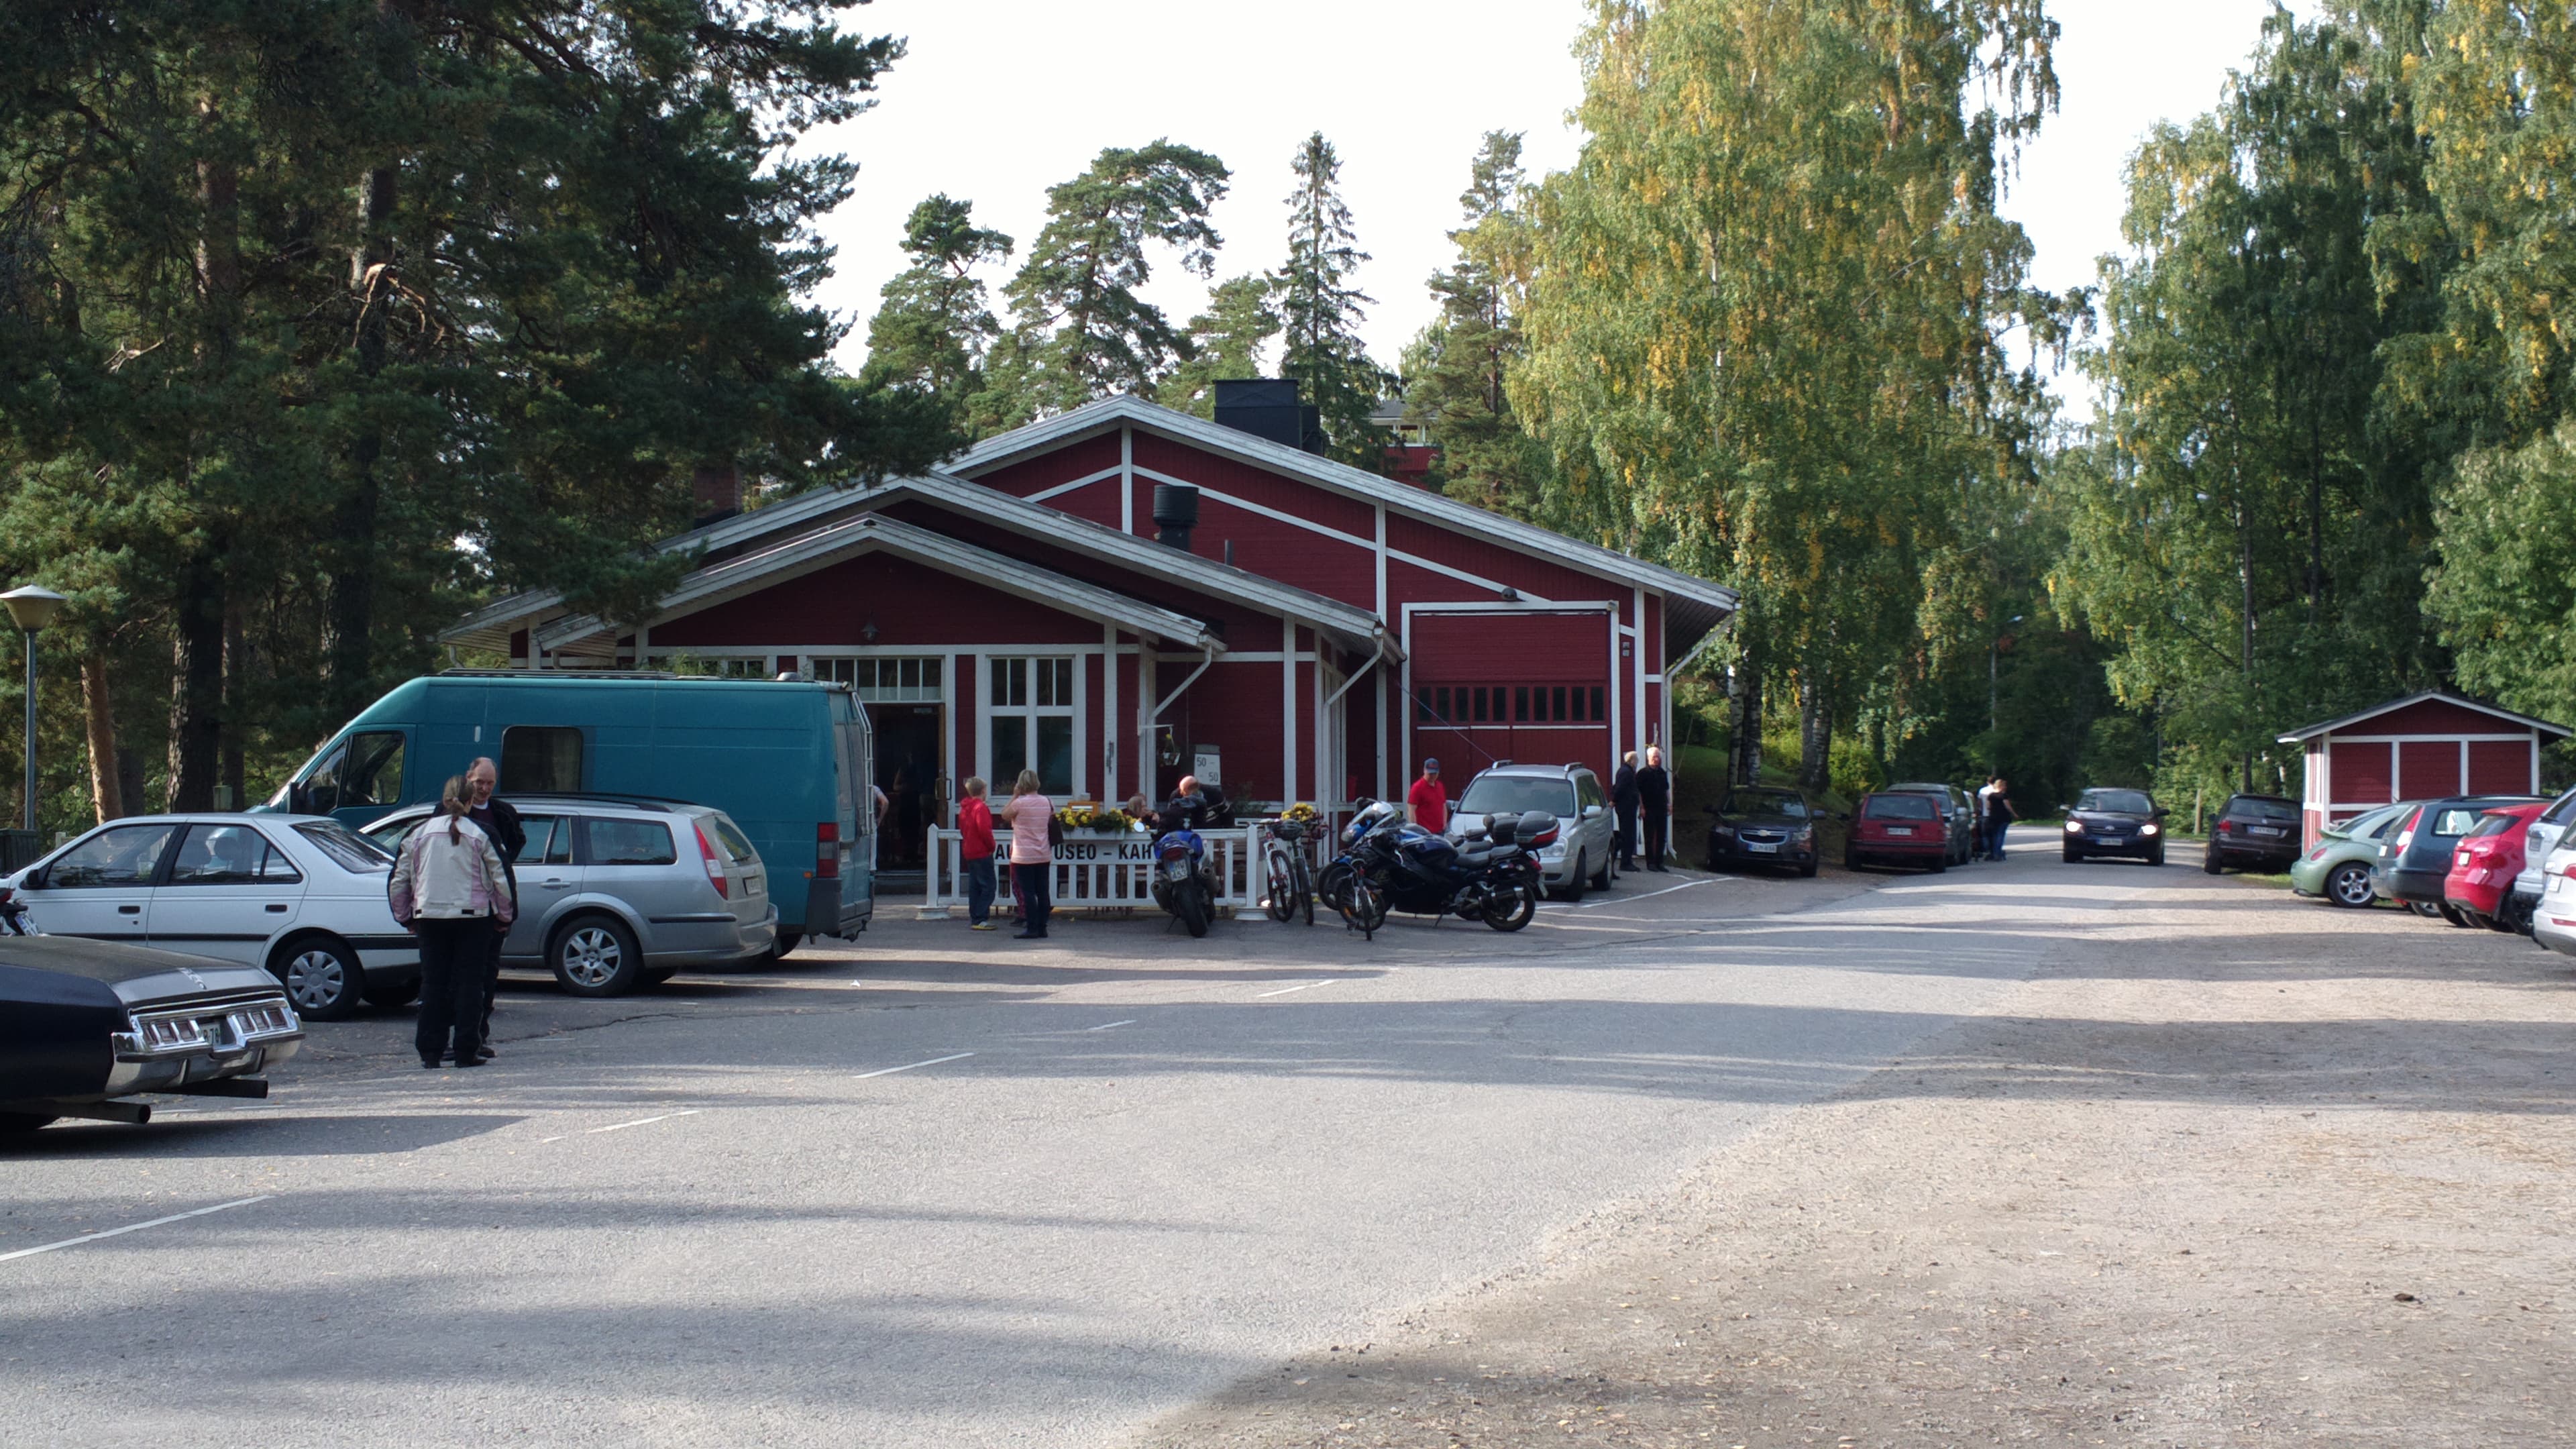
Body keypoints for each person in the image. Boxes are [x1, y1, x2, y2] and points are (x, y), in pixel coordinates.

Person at [388, 775, 515, 1070]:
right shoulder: (481, 834)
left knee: (433, 983)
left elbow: (399, 881)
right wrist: (504, 916)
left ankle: (431, 1051)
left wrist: (405, 916)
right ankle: (466, 1050)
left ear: (443, 801)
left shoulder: (417, 834)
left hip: (429, 916)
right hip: (473, 918)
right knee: (470, 984)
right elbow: (502, 879)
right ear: (471, 801)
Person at [462, 757, 523, 1059]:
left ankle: (478, 1036)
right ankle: (456, 1038)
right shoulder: (451, 812)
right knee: (456, 976)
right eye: (479, 783)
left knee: (487, 975)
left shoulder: (503, 814)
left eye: (489, 784)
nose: (484, 789)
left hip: (492, 907)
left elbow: (514, 847)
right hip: (459, 905)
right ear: (468, 778)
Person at [996, 769, 1054, 940]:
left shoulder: (1019, 804)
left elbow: (1004, 815)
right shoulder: (1047, 802)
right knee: (1043, 891)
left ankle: (1031, 927)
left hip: (1023, 854)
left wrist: (1014, 796)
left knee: (1028, 892)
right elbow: (1050, 819)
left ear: (1021, 784)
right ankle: (1043, 927)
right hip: (1043, 852)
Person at [958, 776, 998, 930]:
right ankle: (981, 917)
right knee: (989, 886)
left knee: (975, 886)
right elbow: (984, 830)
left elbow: (963, 828)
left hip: (969, 850)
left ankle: (975, 917)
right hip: (982, 851)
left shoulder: (965, 808)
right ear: (983, 791)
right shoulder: (980, 808)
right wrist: (991, 846)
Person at [1637, 746, 1672, 871]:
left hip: (1661, 807)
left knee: (1662, 836)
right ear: (1648, 758)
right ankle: (1650, 863)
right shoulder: (1642, 774)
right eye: (1654, 757)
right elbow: (1639, 792)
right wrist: (1641, 807)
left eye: (1658, 757)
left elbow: (1666, 789)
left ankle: (1660, 862)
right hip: (1649, 808)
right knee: (1649, 836)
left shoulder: (1662, 772)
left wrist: (1669, 804)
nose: (1656, 759)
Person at [1611, 750, 1642, 871]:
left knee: (1628, 834)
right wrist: (1614, 800)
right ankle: (1625, 862)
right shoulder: (1626, 773)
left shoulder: (1625, 771)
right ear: (1632, 760)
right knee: (1628, 835)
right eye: (1636, 760)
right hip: (1626, 808)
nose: (1637, 762)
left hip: (1627, 807)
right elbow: (1619, 788)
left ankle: (1627, 860)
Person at [1165, 774, 1229, 833]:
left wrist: (1225, 835)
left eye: (1184, 791)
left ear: (1194, 790)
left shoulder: (1214, 794)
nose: (1181, 793)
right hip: (1185, 835)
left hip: (1212, 834)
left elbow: (1228, 815)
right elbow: (1169, 819)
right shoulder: (1176, 796)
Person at [1405, 759, 1448, 835]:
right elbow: (1411, 810)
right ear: (1425, 770)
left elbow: (1443, 806)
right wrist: (1415, 830)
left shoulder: (1440, 786)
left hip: (1440, 832)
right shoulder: (1417, 787)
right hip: (1424, 833)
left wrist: (1444, 823)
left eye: (1435, 773)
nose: (1433, 776)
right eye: (1430, 774)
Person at [1985, 777, 2017, 861]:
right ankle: (1998, 853)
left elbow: (1988, 807)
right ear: (2001, 786)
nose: (2006, 787)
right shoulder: (2003, 796)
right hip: (2003, 817)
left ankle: (1995, 853)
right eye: (2005, 786)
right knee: (2001, 835)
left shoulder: (1991, 796)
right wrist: (2014, 814)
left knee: (1995, 835)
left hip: (1993, 817)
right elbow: (2008, 807)